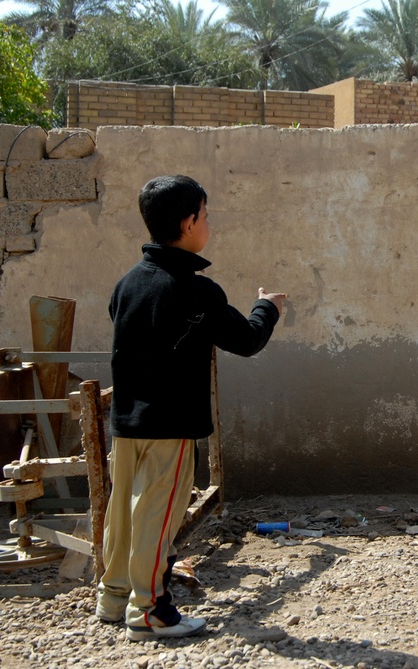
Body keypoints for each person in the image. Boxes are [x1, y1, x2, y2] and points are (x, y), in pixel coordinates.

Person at [96, 174, 286, 640]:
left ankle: (114, 596)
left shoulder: (128, 285)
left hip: (125, 424)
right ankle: (151, 613)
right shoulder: (196, 290)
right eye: (205, 214)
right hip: (171, 424)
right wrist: (268, 307)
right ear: (187, 223)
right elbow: (246, 340)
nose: (209, 222)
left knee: (123, 515)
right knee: (156, 519)